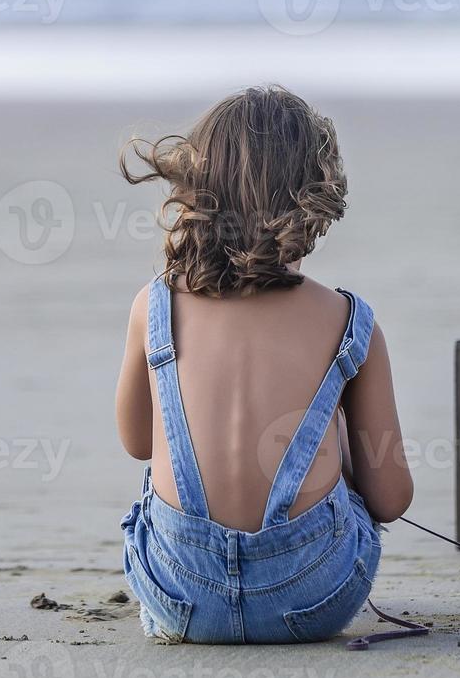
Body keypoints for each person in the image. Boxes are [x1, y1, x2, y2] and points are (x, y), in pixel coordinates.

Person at [115, 85, 413, 643]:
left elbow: (137, 441)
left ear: (197, 191)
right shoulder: (350, 321)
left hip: (182, 597)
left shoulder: (152, 306)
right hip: (312, 599)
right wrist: (330, 434)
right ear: (315, 198)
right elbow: (391, 499)